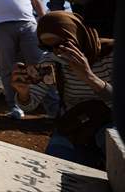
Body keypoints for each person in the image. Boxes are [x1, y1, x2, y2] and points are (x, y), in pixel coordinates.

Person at [11, 11, 114, 168]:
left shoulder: (111, 54)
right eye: (47, 46)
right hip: (77, 121)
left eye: (61, 44)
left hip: (112, 120)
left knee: (113, 149)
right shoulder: (51, 60)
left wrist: (89, 77)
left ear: (77, 35)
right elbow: (29, 104)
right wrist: (23, 92)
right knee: (56, 163)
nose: (56, 51)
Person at [0, 0, 59, 119]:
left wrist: (43, 19)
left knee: (41, 66)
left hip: (28, 23)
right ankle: (15, 108)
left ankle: (54, 109)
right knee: (7, 67)